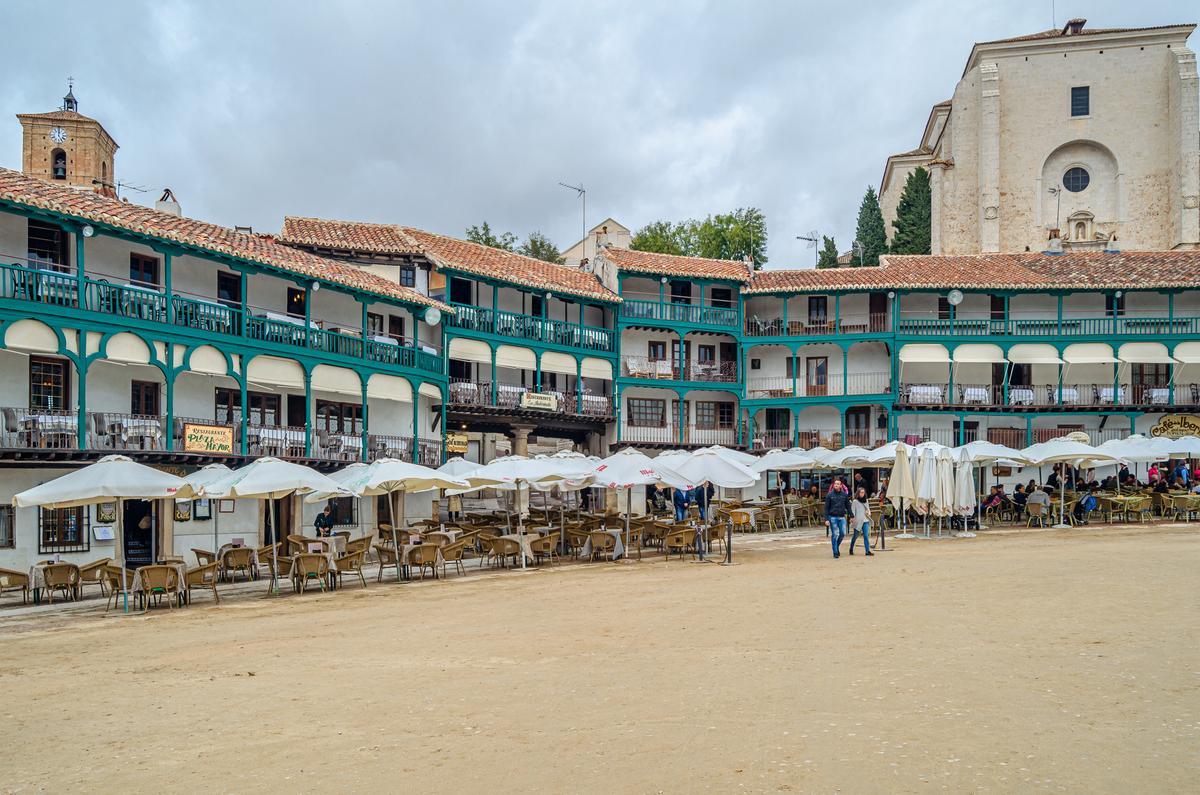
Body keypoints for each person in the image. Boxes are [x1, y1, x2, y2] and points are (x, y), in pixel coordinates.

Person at [824, 478, 850, 558]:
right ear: (833, 485)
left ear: (841, 485)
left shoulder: (844, 495)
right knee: (835, 534)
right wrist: (826, 519)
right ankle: (835, 551)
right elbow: (826, 508)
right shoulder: (829, 495)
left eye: (838, 484)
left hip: (842, 517)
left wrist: (851, 515)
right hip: (832, 517)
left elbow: (848, 506)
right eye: (835, 484)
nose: (836, 485)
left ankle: (836, 547)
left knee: (842, 534)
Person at [849, 487, 873, 556]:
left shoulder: (866, 501)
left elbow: (868, 510)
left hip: (865, 520)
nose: (862, 494)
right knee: (855, 536)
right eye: (861, 492)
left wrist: (868, 513)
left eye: (863, 492)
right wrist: (852, 518)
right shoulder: (855, 501)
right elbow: (852, 511)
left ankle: (867, 551)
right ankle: (851, 548)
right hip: (858, 521)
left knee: (866, 536)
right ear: (858, 493)